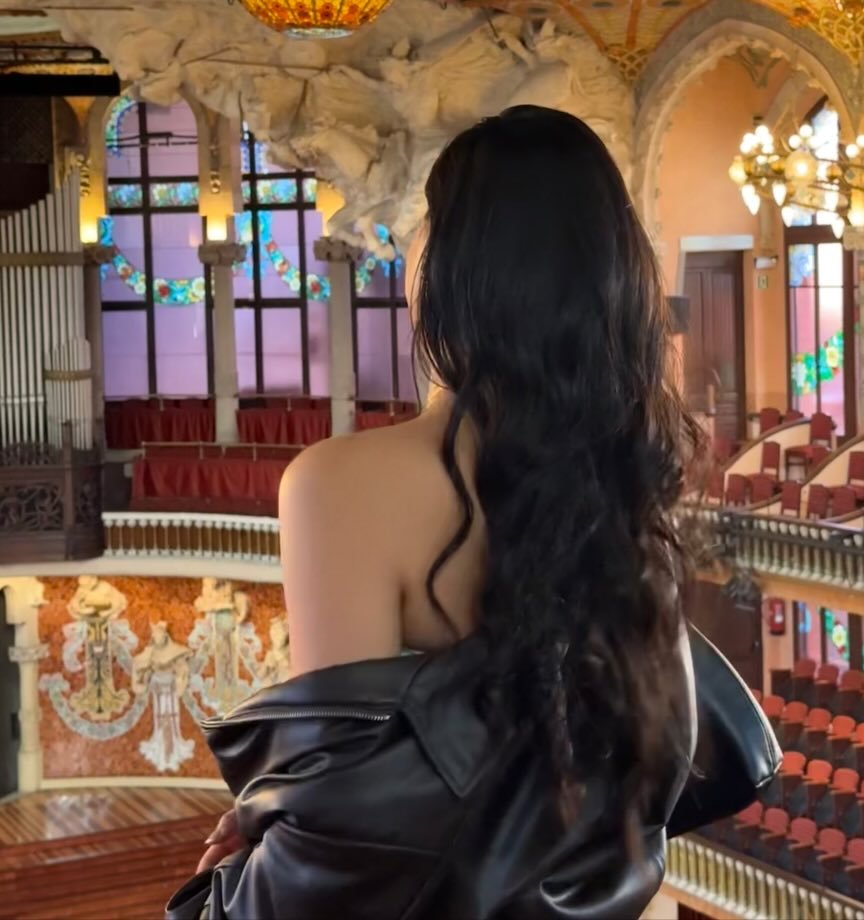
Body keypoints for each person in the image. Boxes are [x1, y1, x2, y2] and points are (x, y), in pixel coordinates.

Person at [173, 106, 700, 919]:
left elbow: (346, 832)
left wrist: (270, 830)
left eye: (429, 216)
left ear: (462, 267)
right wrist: (279, 803)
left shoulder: (336, 486)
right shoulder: (633, 480)